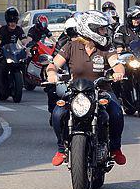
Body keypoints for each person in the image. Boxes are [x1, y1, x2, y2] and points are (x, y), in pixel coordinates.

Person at [46, 11, 127, 166]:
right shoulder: (71, 45)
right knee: (58, 113)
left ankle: (115, 149)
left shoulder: (105, 47)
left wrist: (118, 73)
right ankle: (61, 149)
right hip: (75, 91)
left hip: (101, 90)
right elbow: (54, 64)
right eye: (102, 29)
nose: (105, 32)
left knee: (116, 113)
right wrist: (51, 73)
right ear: (91, 29)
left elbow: (117, 64)